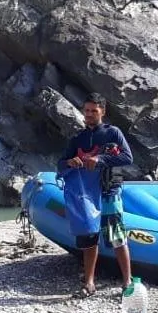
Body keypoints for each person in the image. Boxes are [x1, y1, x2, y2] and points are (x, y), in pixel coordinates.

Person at [57, 93, 133, 297]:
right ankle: (89, 283)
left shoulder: (113, 133)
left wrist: (100, 158)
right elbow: (61, 165)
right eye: (87, 110)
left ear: (103, 112)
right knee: (89, 239)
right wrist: (70, 163)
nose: (89, 114)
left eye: (94, 111)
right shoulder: (77, 138)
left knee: (117, 236)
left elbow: (127, 157)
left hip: (109, 191)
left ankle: (127, 282)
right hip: (86, 197)